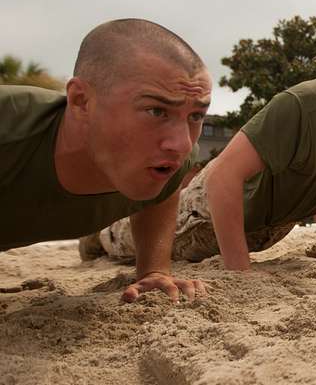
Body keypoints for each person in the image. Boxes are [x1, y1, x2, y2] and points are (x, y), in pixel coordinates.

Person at [94, 26, 316, 270]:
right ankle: (97, 237)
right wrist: (240, 270)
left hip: (266, 227)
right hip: (209, 213)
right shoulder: (302, 107)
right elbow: (222, 178)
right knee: (131, 242)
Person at [1, 19, 210, 302]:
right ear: (81, 101)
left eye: (196, 116)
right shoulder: (9, 129)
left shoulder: (170, 159)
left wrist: (154, 270)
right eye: (156, 111)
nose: (182, 144)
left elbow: (162, 197)